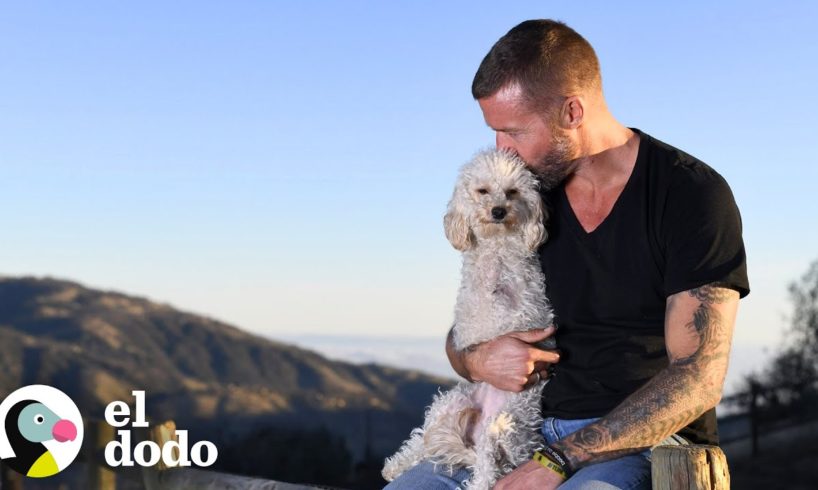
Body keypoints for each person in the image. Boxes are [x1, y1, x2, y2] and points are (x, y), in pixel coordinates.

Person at [385, 19, 749, 490]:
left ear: (573, 112)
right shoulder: (520, 195)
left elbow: (698, 377)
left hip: (638, 445)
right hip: (513, 432)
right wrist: (479, 361)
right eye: (495, 132)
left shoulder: (689, 194)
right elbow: (464, 334)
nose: (502, 148)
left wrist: (556, 461)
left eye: (513, 131)